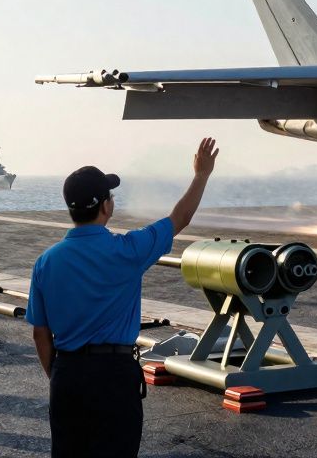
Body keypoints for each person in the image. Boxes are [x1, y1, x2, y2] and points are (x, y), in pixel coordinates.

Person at [26, 138, 218, 457]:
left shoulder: (46, 261)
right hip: (113, 376)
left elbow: (40, 334)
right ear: (106, 206)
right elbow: (180, 217)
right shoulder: (127, 250)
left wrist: (60, 375)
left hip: (68, 374)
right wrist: (201, 175)